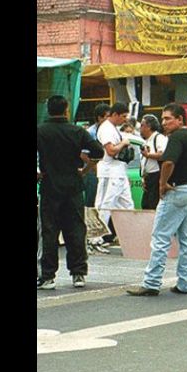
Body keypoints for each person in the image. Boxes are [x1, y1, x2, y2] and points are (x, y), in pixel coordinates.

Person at [127, 103, 187, 296]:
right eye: (163, 119)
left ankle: (151, 282)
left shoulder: (176, 138)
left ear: (180, 119)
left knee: (160, 237)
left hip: (176, 190)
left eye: (168, 118)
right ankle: (184, 282)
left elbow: (167, 162)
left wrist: (162, 184)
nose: (164, 123)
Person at [37, 95, 104, 290]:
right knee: (75, 230)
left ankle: (48, 276)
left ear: (48, 109)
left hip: (50, 187)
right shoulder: (77, 131)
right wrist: (84, 170)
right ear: (66, 109)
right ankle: (78, 273)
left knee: (49, 232)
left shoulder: (41, 131)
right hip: (74, 187)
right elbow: (98, 152)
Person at [95, 102, 135, 244]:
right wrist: (124, 143)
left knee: (127, 205)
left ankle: (127, 236)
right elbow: (111, 150)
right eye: (123, 116)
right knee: (105, 205)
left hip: (119, 172)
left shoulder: (114, 128)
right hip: (109, 173)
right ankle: (95, 239)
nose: (125, 119)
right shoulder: (106, 129)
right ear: (115, 114)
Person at [83, 103, 111, 207]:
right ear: (99, 117)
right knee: (93, 202)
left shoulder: (110, 130)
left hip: (106, 171)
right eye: (107, 116)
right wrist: (95, 169)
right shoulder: (90, 132)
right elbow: (84, 155)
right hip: (92, 172)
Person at [139, 114, 168, 210]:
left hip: (157, 175)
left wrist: (148, 155)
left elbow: (163, 155)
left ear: (149, 127)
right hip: (148, 177)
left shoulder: (159, 138)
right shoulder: (146, 141)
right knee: (145, 205)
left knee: (153, 205)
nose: (140, 128)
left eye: (142, 125)